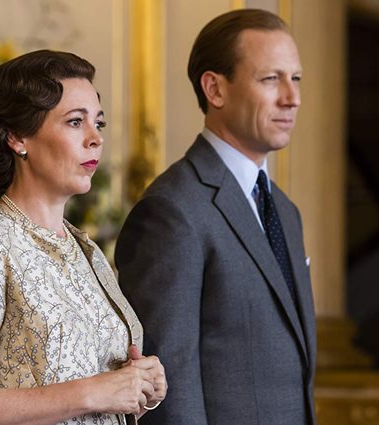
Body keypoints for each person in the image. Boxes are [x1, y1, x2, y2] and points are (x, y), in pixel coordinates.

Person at [0, 50, 167, 425]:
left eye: (98, 124)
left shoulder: (87, 249)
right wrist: (92, 391)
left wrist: (144, 385)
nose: (95, 139)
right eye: (74, 122)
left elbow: (100, 383)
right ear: (17, 137)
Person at [115, 9, 316, 425]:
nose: (291, 97)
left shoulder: (285, 211)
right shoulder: (172, 211)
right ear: (215, 89)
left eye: (295, 78)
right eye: (270, 79)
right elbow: (166, 388)